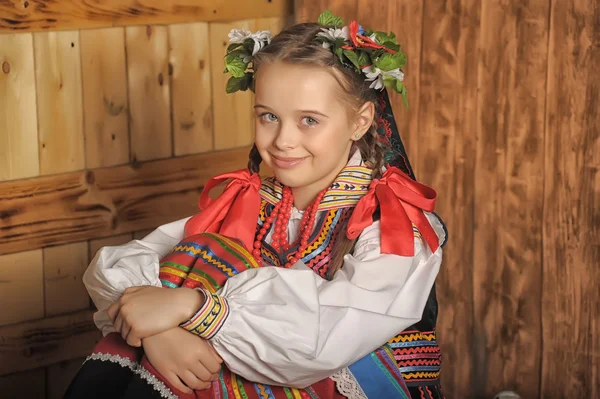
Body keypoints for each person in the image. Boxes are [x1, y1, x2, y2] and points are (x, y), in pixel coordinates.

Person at [64, 10, 447, 399]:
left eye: (309, 121)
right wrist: (158, 335)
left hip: (351, 385)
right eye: (268, 116)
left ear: (360, 121)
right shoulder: (249, 201)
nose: (283, 140)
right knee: (172, 289)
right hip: (248, 369)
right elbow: (120, 266)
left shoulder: (392, 225)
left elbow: (323, 341)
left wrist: (194, 306)